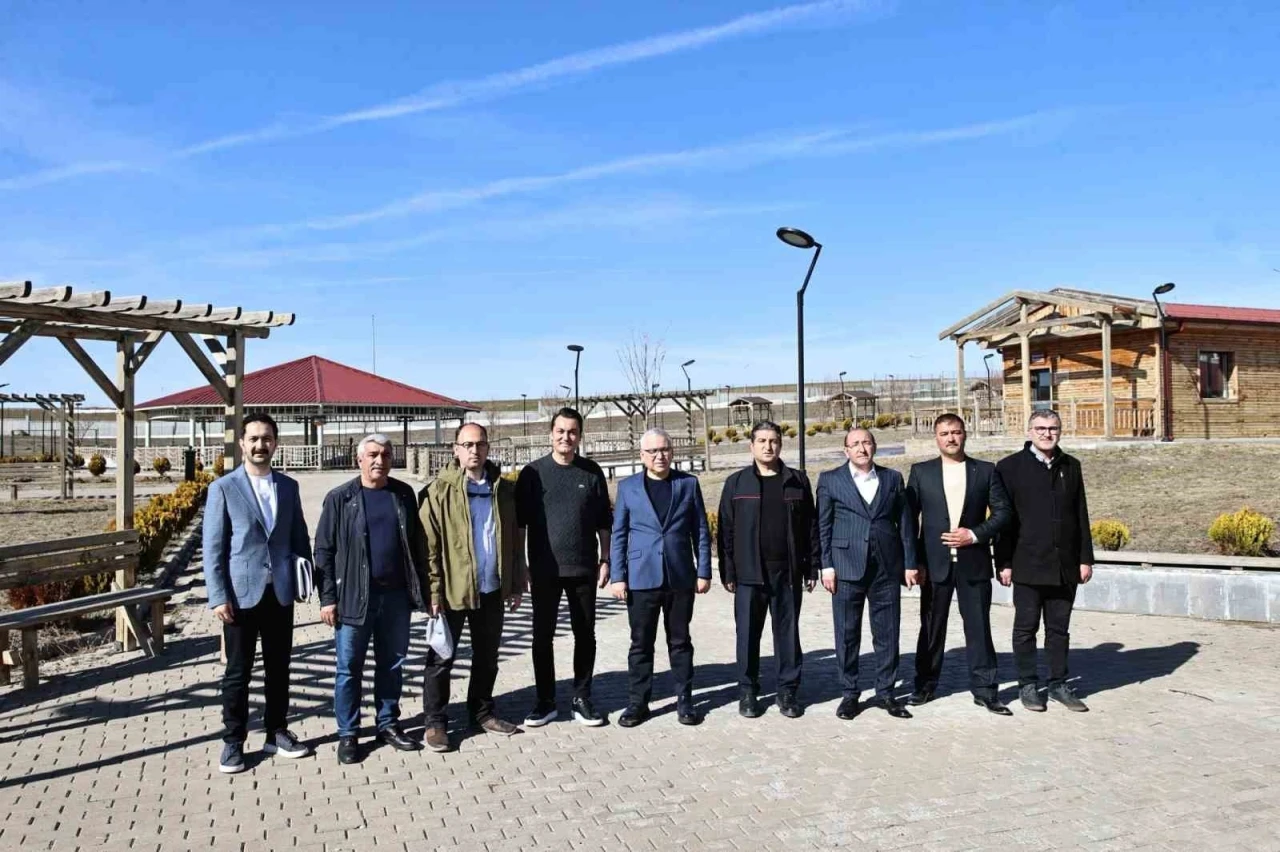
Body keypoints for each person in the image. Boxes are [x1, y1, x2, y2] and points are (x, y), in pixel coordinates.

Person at [204, 412, 314, 774]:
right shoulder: (224, 488)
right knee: (238, 672)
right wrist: (218, 595)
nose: (260, 445)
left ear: (276, 443)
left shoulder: (288, 486)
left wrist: (306, 579)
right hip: (240, 596)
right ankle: (233, 741)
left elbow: (299, 536)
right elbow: (213, 548)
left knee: (279, 668)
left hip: (279, 594)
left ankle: (276, 732)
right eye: (253, 439)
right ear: (242, 444)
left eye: (266, 438)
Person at [315, 434, 431, 764]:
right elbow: (323, 550)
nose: (380, 460)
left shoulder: (403, 494)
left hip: (395, 598)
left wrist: (423, 591)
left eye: (386, 455)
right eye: (373, 455)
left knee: (392, 665)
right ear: (359, 460)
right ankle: (348, 733)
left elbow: (416, 545)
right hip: (354, 598)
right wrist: (328, 598)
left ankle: (388, 723)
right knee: (349, 668)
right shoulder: (340, 498)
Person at [421, 423, 526, 751]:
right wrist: (433, 591)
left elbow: (514, 540)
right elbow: (429, 547)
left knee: (487, 656)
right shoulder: (439, 491)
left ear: (488, 447)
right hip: (453, 591)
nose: (474, 450)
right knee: (441, 657)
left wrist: (515, 583)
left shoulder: (503, 490)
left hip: (491, 588)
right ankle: (435, 722)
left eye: (480, 444)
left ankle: (481, 712)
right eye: (467, 445)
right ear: (456, 449)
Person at [905, 413, 1013, 714]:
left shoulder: (985, 470)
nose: (951, 438)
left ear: (964, 434)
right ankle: (924, 685)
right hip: (934, 565)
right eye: (944, 433)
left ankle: (986, 690)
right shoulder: (921, 472)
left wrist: (974, 535)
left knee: (979, 628)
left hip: (973, 562)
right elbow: (909, 520)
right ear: (936, 438)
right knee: (931, 628)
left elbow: (1003, 513)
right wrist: (914, 561)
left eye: (956, 432)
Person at [609, 427, 712, 728]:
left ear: (672, 451)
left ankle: (685, 701)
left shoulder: (687, 484)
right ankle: (638, 703)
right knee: (641, 643)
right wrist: (618, 576)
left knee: (680, 642)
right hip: (641, 578)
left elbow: (700, 531)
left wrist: (703, 571)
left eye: (664, 449)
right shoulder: (628, 487)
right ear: (642, 455)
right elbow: (619, 534)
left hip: (680, 577)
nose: (659, 456)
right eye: (652, 451)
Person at [516, 408, 612, 728]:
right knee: (542, 636)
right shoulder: (532, 473)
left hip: (583, 568)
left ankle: (581, 698)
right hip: (544, 570)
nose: (566, 437)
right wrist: (521, 564)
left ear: (580, 436)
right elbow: (520, 525)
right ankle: (545, 702)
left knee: (585, 634)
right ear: (551, 434)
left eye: (572, 432)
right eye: (560, 431)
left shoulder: (591, 472)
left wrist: (606, 559)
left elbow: (604, 522)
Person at [716, 420, 819, 719]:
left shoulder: (797, 481)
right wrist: (728, 571)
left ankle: (787, 691)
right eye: (761, 441)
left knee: (787, 635)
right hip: (749, 574)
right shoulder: (736, 483)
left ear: (780, 444)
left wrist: (812, 566)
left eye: (773, 440)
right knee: (748, 635)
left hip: (787, 574)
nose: (768, 446)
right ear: (751, 446)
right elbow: (726, 531)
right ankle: (748, 691)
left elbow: (811, 528)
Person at [995, 409, 1094, 713]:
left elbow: (1080, 515)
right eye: (1040, 428)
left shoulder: (1071, 466)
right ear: (1029, 432)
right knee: (1026, 629)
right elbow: (1003, 520)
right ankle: (1027, 684)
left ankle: (1058, 684)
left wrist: (1085, 558)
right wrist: (1003, 562)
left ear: (1060, 432)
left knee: (1059, 630)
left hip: (1064, 566)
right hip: (1027, 564)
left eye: (1053, 428)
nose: (1047, 434)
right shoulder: (1009, 467)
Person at [817, 427, 918, 720]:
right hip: (846, 567)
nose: (861, 448)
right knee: (847, 634)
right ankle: (850, 694)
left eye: (866, 443)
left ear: (875, 446)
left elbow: (905, 524)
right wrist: (826, 566)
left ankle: (886, 693)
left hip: (886, 568)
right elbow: (823, 526)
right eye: (855, 444)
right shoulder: (830, 480)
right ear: (845, 450)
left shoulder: (892, 478)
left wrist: (910, 563)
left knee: (887, 633)